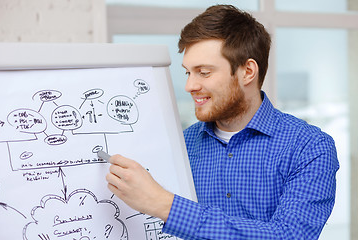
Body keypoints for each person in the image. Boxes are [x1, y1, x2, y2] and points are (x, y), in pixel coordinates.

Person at [105, 4, 339, 239]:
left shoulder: (310, 147)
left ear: (247, 71)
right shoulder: (183, 144)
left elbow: (290, 235)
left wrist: (164, 205)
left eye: (204, 72)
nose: (189, 86)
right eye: (188, 72)